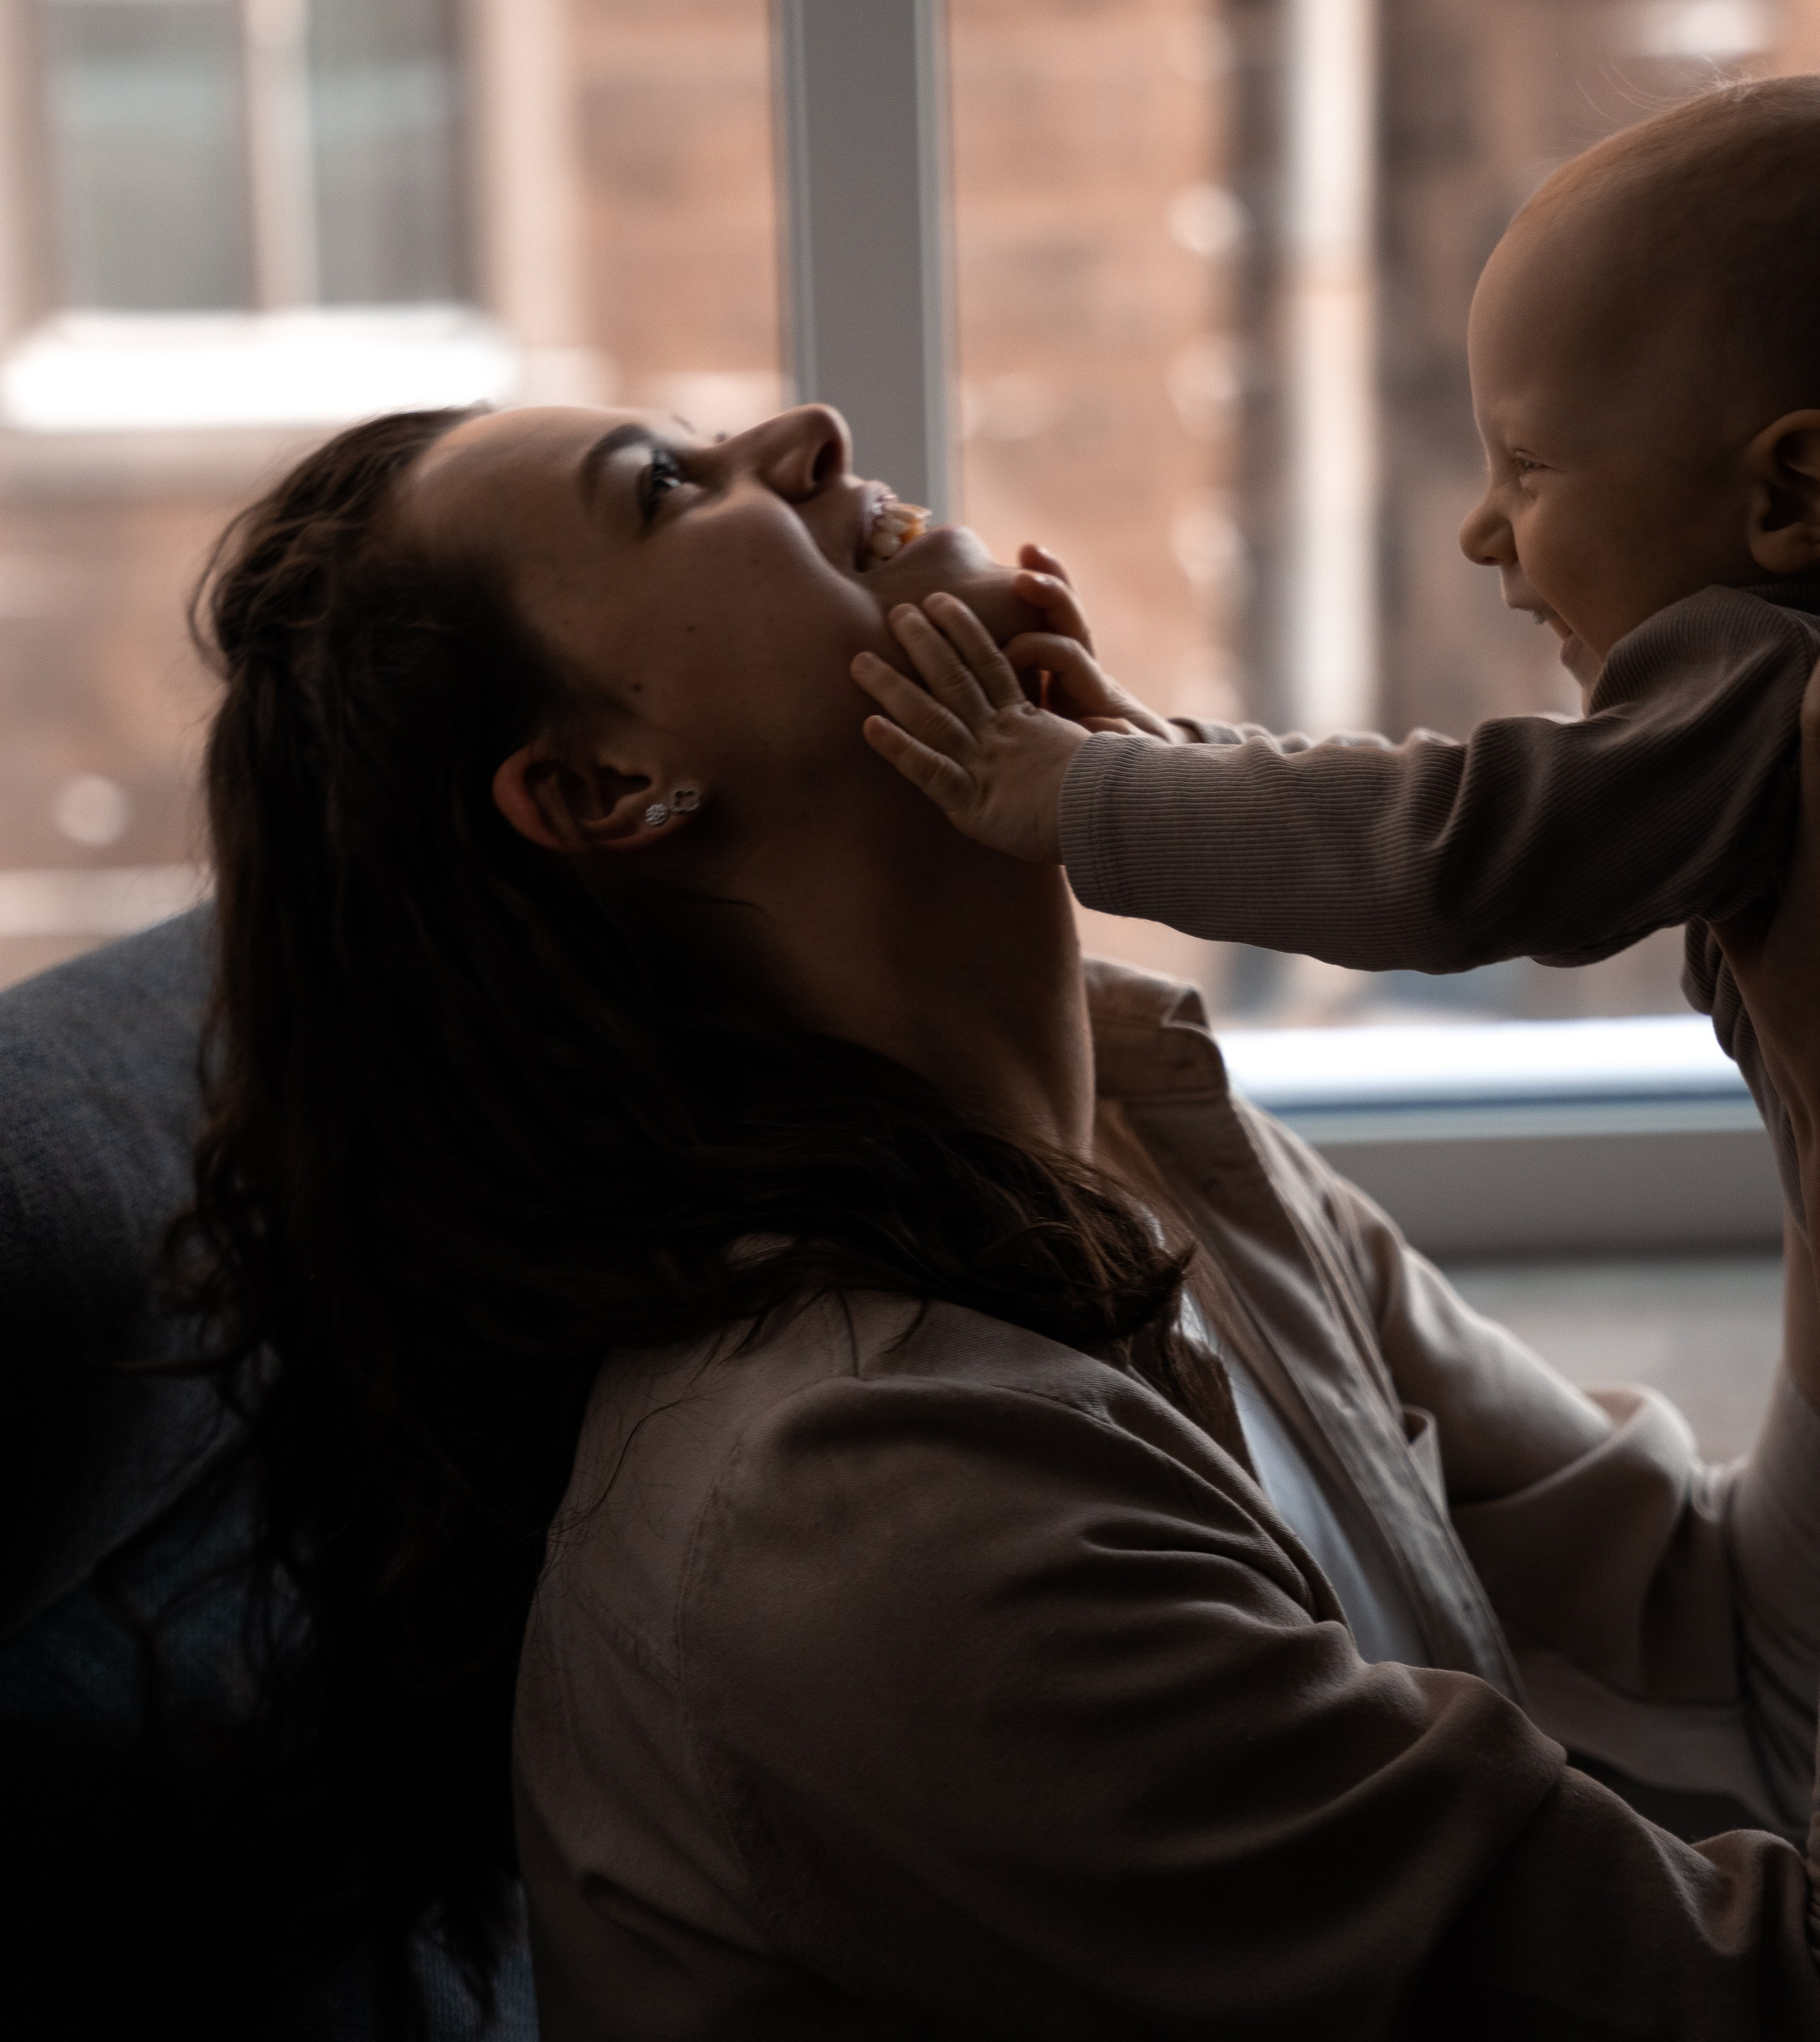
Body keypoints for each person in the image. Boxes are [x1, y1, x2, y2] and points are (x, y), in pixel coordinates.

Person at [178, 396, 1820, 2038]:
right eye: (666, 486)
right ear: (610, 786)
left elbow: (1706, 1634)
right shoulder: (868, 1491)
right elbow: (1709, 2000)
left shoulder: (1144, 1131)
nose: (808, 428)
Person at [855, 76, 1820, 1230]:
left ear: (1792, 491)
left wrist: (1082, 793)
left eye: (1529, 466)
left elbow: (1452, 852)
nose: (1480, 530)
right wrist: (1159, 754)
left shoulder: (1772, 676)